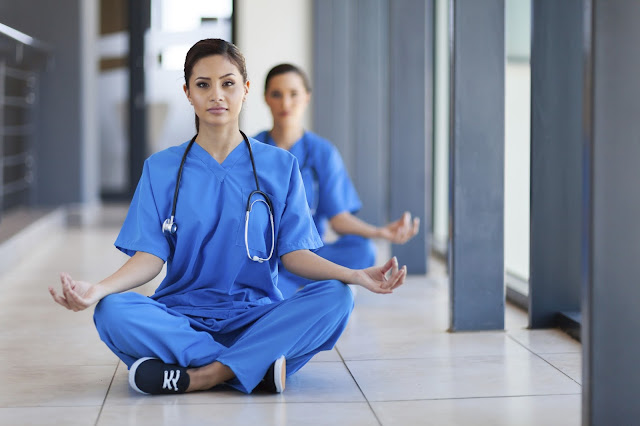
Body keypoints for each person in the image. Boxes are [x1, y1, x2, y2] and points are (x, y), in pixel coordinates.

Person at [48, 39, 407, 396]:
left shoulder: (280, 167)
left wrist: (356, 276)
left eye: (228, 83)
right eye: (203, 84)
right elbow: (149, 258)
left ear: (246, 90)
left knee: (337, 298)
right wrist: (97, 290)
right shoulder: (160, 169)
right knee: (112, 310)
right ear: (188, 92)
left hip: (256, 316)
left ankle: (200, 374)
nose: (216, 95)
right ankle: (255, 367)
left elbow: (295, 254)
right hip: (183, 317)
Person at [254, 63, 420, 298]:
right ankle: (311, 281)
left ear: (307, 98)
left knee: (362, 250)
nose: (286, 103)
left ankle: (301, 278)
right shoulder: (251, 151)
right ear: (265, 99)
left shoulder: (323, 152)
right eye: (276, 94)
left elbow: (338, 219)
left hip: (310, 253)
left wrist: (381, 232)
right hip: (265, 255)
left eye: (294, 94)